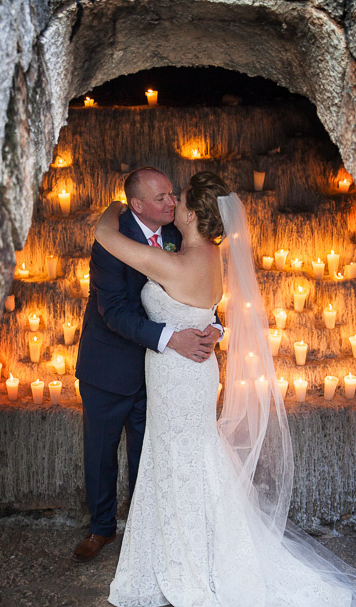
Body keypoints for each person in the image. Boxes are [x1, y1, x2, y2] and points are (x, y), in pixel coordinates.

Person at [94, 171, 356, 607]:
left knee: (184, 462)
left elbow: (106, 235)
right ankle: (184, 551)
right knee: (189, 460)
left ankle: (192, 567)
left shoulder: (175, 261)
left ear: (192, 214)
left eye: (179, 200)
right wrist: (213, 329)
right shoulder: (208, 255)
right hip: (191, 372)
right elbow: (201, 310)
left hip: (178, 377)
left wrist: (113, 208)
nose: (173, 205)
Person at [72, 167, 221, 562]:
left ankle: (146, 530)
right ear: (137, 205)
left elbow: (199, 293)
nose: (171, 202)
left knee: (148, 453)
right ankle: (100, 529)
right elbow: (114, 312)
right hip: (109, 366)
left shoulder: (178, 235)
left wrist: (213, 326)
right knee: (101, 453)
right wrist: (172, 338)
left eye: (174, 195)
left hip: (160, 374)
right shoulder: (113, 240)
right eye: (161, 198)